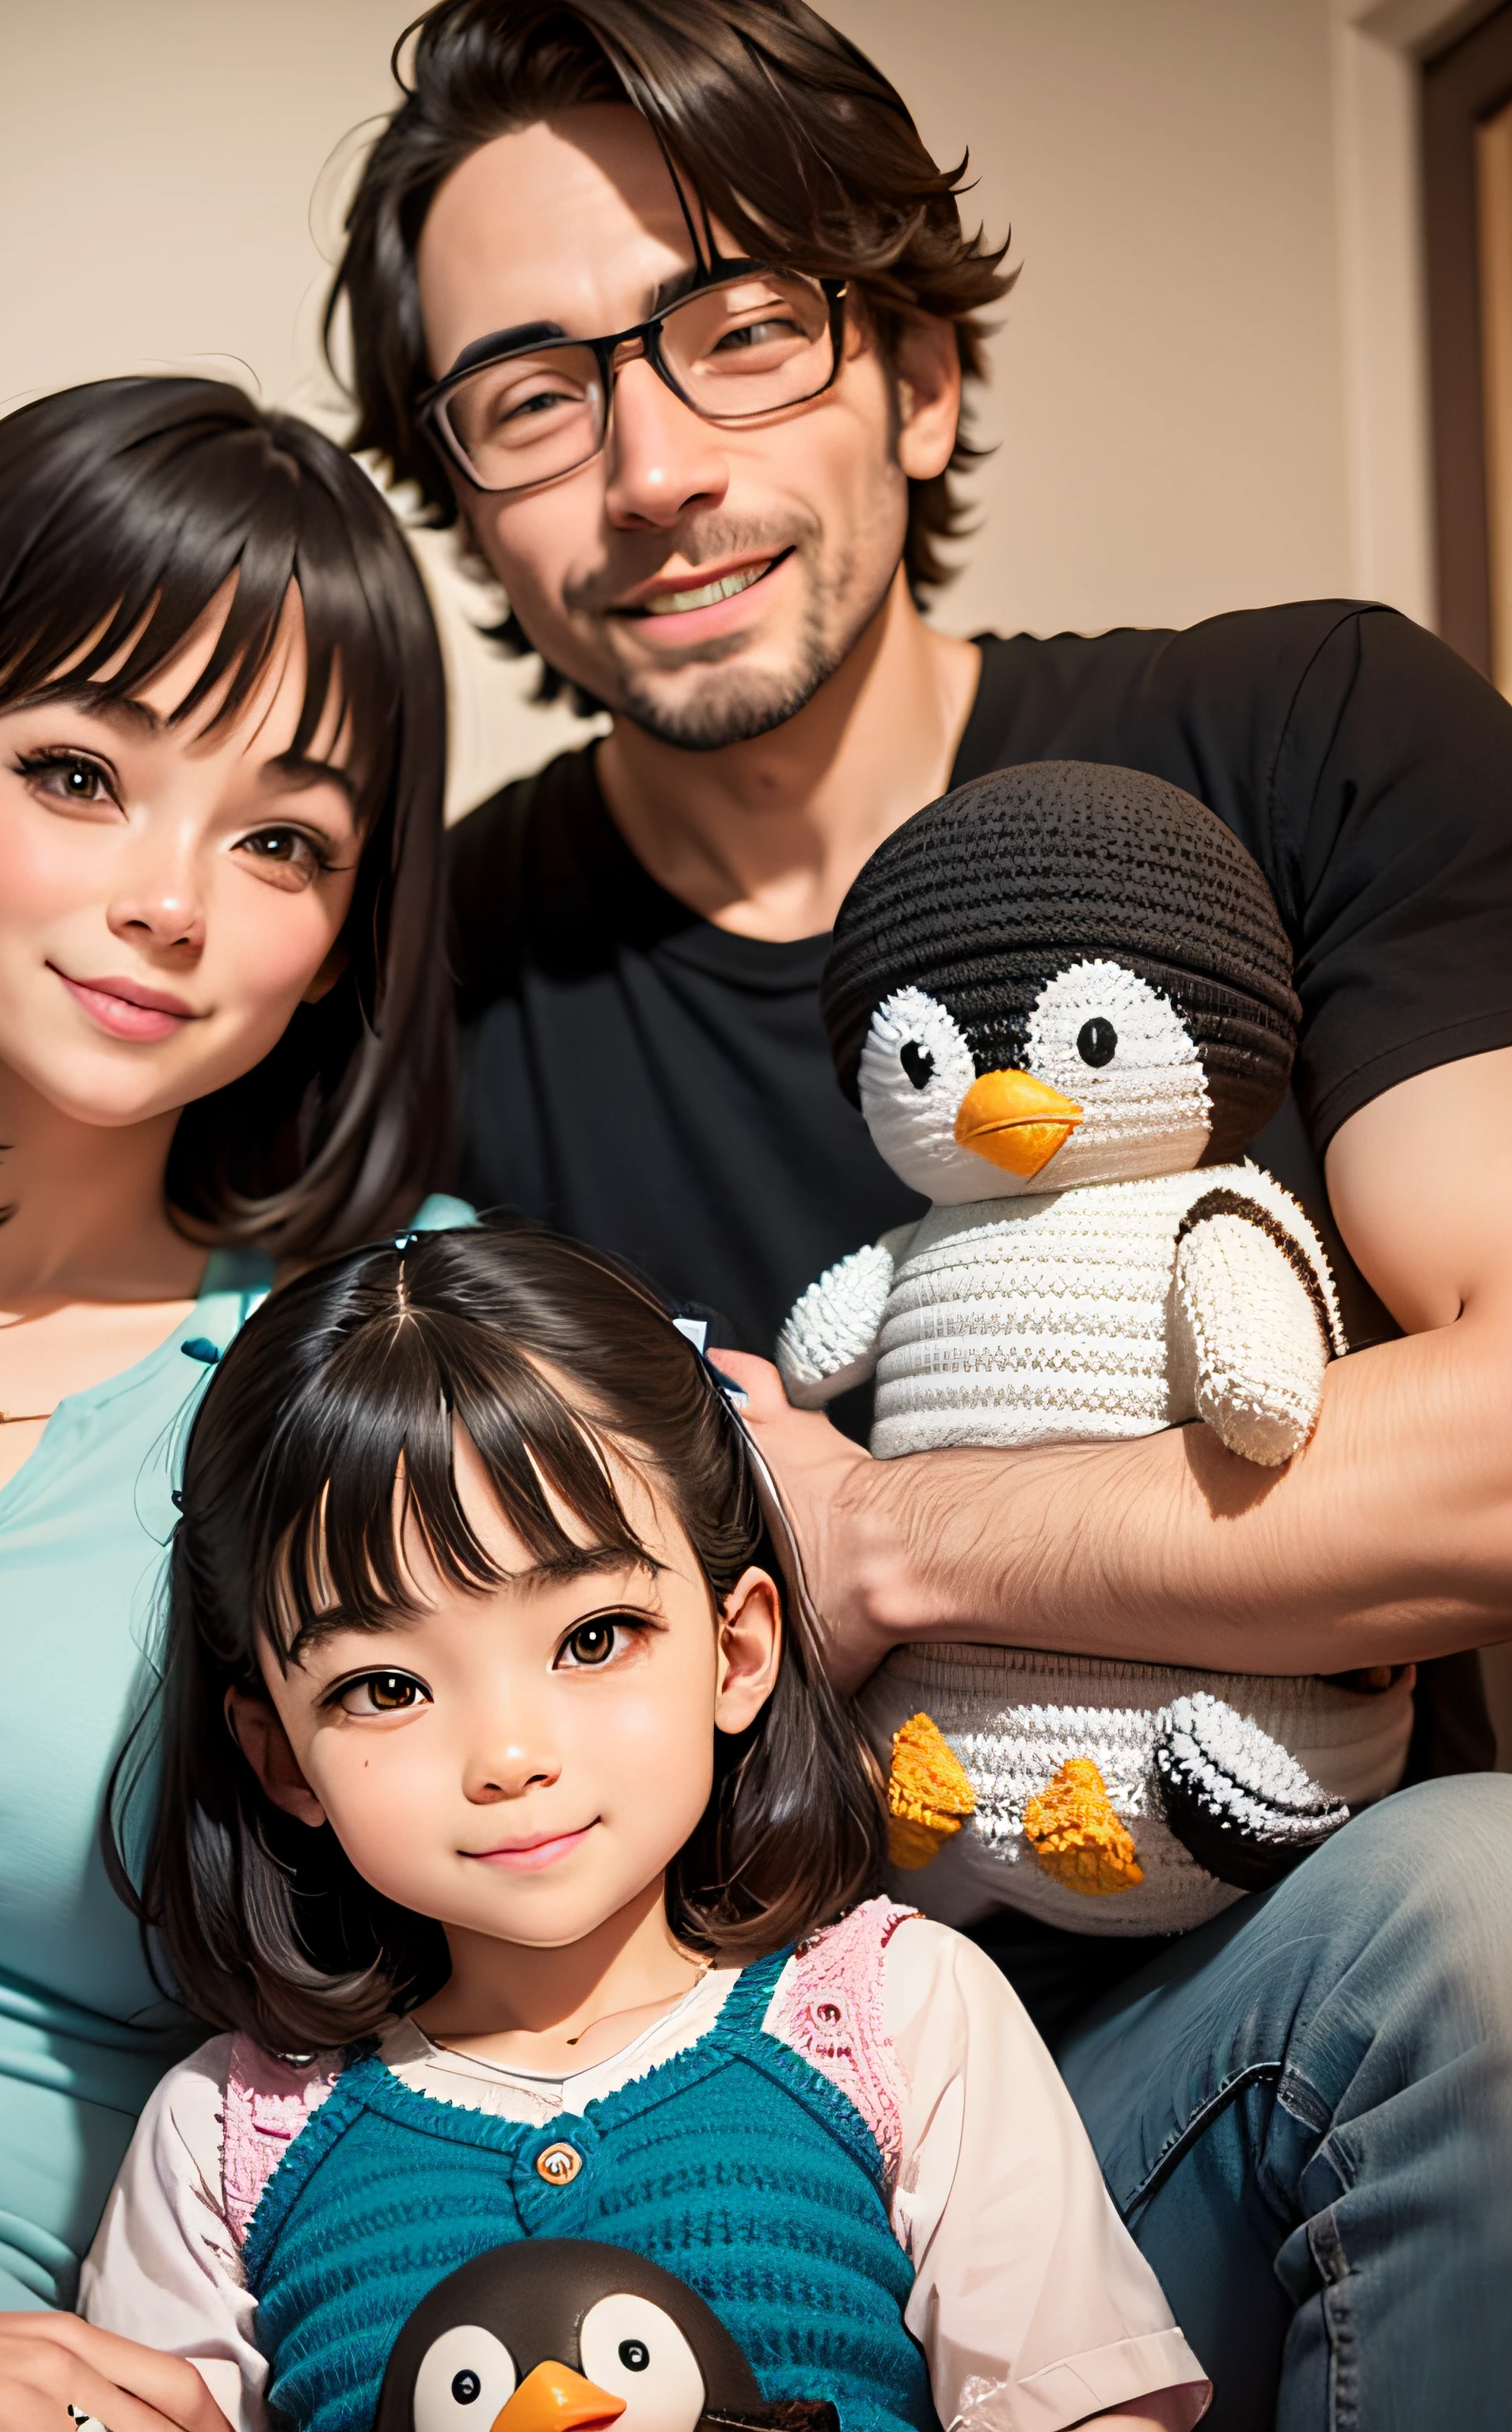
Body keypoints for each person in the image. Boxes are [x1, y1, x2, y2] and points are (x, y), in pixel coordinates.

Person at [325, 2, 1512, 2423]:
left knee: (1487, 1916)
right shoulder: (406, 982)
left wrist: (891, 1545)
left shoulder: (1308, 740)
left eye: (742, 329)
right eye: (534, 394)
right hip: (726, 2157)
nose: (651, 464)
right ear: (465, 488)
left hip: (1256, 2027)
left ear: (922, 380)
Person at [80, 1222, 1208, 2432]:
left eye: (592, 1638)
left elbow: (1089, 2410)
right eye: (388, 1688)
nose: (510, 1759)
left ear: (738, 1649)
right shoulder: (226, 2140)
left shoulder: (897, 2017)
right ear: (280, 1756)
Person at [0, 377, 467, 2431]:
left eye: (282, 838)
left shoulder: (391, 1363)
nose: (173, 902)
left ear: (337, 942)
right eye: (77, 771)